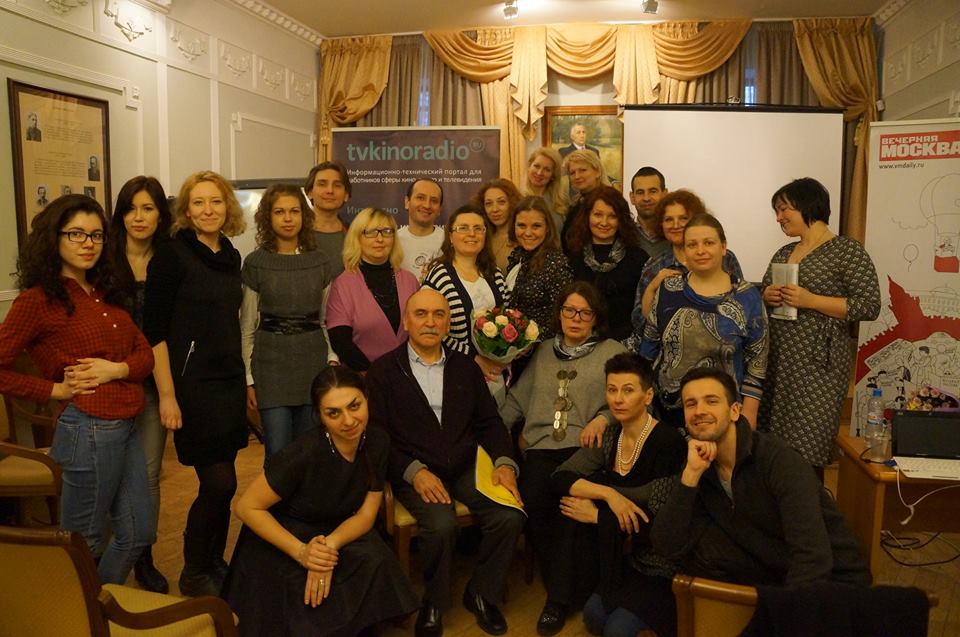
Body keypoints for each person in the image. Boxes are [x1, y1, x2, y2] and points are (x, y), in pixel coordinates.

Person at [0, 194, 155, 585]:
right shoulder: (37, 301)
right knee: (83, 540)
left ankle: (96, 605)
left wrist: (116, 369)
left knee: (138, 533)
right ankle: (72, 609)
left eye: (96, 235)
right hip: (88, 428)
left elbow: (145, 356)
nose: (88, 243)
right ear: (54, 238)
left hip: (128, 423)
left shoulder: (105, 292)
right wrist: (54, 390)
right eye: (76, 234)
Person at [367, 288, 525, 637]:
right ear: (406, 321)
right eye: (421, 314)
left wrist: (504, 463)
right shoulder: (383, 372)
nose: (430, 322)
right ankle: (434, 602)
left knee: (509, 516)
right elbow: (376, 439)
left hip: (467, 467)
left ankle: (481, 593)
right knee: (441, 525)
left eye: (438, 314)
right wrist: (414, 472)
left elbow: (490, 423)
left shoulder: (465, 367)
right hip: (416, 472)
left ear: (448, 322)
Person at [223, 366, 419, 636]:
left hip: (337, 527)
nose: (348, 421)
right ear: (320, 415)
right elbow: (246, 507)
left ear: (366, 399)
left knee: (375, 559)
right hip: (286, 532)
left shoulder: (378, 441)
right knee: (301, 596)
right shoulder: (302, 453)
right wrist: (303, 553)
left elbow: (366, 515)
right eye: (333, 413)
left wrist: (327, 549)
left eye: (354, 406)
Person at [650, 367, 870, 587]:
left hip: (833, 581)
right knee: (699, 548)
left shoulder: (779, 460)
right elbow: (666, 545)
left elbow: (813, 558)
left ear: (735, 411)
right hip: (772, 571)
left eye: (711, 401)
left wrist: (780, 606)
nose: (699, 411)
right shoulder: (698, 464)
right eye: (691, 404)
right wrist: (690, 476)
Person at [499, 282, 625, 635]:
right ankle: (572, 588)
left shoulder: (612, 351)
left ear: (596, 318)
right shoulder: (542, 351)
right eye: (569, 310)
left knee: (571, 504)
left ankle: (558, 600)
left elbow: (631, 395)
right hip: (541, 448)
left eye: (585, 312)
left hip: (585, 449)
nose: (576, 318)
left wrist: (604, 417)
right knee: (534, 498)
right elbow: (517, 400)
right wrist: (490, 430)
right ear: (559, 314)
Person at [144, 170, 248, 597]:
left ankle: (214, 562)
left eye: (216, 201)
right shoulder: (171, 255)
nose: (208, 210)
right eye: (199, 202)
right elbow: (154, 332)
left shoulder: (231, 255)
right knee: (219, 482)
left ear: (228, 207)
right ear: (186, 210)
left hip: (228, 381)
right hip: (192, 385)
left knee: (225, 482)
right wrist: (167, 395)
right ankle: (193, 570)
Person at [552, 353, 686, 637]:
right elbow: (561, 478)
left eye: (628, 390)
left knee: (617, 629)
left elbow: (657, 520)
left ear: (648, 396)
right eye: (612, 390)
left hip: (665, 562)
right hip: (629, 556)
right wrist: (608, 495)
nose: (618, 399)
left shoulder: (669, 442)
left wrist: (598, 516)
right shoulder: (611, 435)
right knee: (593, 616)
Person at [759, 178, 880, 474]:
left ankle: (810, 504)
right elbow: (763, 291)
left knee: (806, 450)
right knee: (772, 452)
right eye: (777, 211)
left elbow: (869, 305)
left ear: (807, 206)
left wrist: (812, 300)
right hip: (778, 362)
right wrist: (766, 295)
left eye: (784, 209)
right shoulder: (783, 253)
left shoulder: (846, 251)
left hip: (819, 368)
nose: (778, 218)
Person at [105, 176, 173, 593]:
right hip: (110, 382)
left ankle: (143, 556)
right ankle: (109, 554)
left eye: (148, 208)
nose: (139, 217)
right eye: (131, 208)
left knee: (148, 474)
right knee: (110, 472)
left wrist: (168, 392)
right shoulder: (103, 259)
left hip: (154, 380)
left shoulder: (170, 259)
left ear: (161, 215)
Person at [640, 214, 767, 428]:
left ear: (723, 247)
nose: (700, 251)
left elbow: (758, 360)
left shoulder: (747, 296)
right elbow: (648, 347)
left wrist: (749, 414)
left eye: (708, 243)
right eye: (692, 244)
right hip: (666, 414)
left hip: (724, 416)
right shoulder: (668, 290)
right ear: (684, 251)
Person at [241, 184, 332, 461]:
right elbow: (247, 327)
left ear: (304, 215)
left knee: (309, 451)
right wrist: (249, 379)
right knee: (278, 453)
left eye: (294, 211)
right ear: (267, 217)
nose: (288, 218)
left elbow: (324, 320)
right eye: (279, 212)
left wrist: (331, 358)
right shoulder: (256, 263)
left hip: (312, 365)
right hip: (270, 370)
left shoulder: (320, 262)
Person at [631, 190, 744, 343]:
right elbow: (639, 324)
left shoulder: (725, 257)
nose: (675, 225)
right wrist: (653, 287)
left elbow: (742, 306)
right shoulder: (654, 266)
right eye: (668, 219)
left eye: (683, 218)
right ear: (661, 224)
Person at [423, 205, 509, 385]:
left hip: (495, 373)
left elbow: (508, 317)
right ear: (450, 236)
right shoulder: (439, 276)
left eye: (478, 228)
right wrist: (474, 358)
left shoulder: (494, 273)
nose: (472, 234)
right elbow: (431, 329)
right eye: (463, 228)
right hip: (454, 372)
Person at [325, 208, 418, 371]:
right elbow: (341, 342)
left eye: (386, 232)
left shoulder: (410, 281)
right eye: (370, 232)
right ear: (357, 237)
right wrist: (373, 375)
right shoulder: (343, 285)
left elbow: (420, 330)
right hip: (363, 376)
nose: (380, 239)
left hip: (409, 374)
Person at [566, 186, 648, 343]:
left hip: (625, 344)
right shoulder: (573, 257)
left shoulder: (638, 258)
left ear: (621, 220)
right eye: (598, 215)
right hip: (581, 342)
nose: (604, 222)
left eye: (612, 216)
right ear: (587, 216)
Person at [504, 195, 572, 344]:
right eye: (521, 225)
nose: (528, 233)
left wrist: (530, 344)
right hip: (515, 347)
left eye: (536, 226)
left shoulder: (556, 264)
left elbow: (562, 317)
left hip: (543, 348)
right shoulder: (517, 256)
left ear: (547, 228)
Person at [304, 161, 351, 279]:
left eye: (337, 185)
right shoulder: (295, 232)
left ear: (346, 195)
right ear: (309, 192)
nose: (330, 190)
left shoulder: (354, 234)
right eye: (322, 184)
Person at [559, 149, 607, 252]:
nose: (577, 176)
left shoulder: (610, 202)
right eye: (572, 173)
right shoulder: (576, 204)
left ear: (597, 172)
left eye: (582, 170)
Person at [397, 178, 444, 281]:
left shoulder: (450, 242)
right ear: (407, 202)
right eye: (420, 198)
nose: (427, 205)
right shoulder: (392, 241)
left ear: (440, 209)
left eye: (434, 201)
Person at [470, 178, 521, 271]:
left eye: (501, 202)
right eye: (488, 204)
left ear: (512, 203)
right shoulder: (481, 238)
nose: (495, 209)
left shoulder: (523, 237)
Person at [628, 167, 670, 258]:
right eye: (640, 192)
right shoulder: (624, 235)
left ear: (665, 195)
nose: (646, 198)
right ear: (632, 197)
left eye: (653, 191)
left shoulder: (675, 232)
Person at [523, 147, 569, 221]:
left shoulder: (561, 202)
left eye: (547, 169)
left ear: (553, 175)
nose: (539, 173)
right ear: (529, 166)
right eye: (536, 166)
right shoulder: (517, 197)